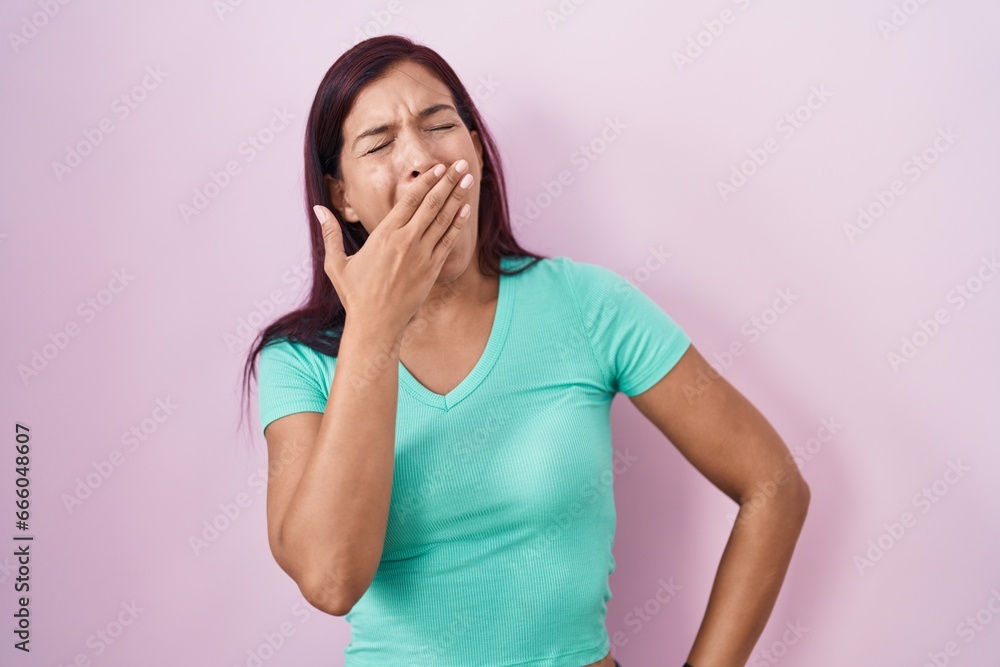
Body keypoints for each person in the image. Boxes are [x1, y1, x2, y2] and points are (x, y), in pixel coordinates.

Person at [240, 34, 809, 667]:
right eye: (379, 143)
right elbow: (330, 579)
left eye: (440, 126)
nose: (422, 159)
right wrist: (374, 327)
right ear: (341, 194)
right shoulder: (298, 360)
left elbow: (773, 484)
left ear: (477, 153)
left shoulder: (589, 305)